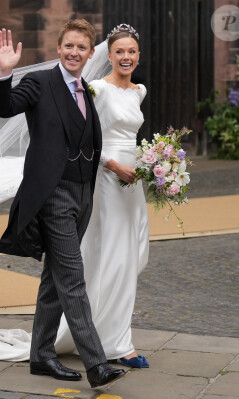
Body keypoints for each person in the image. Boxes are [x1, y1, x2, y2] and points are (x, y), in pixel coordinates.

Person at [0, 20, 124, 388]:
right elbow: (3, 107)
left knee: (55, 279)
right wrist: (4, 73)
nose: (74, 53)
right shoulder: (40, 83)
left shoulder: (86, 90)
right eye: (68, 46)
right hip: (53, 195)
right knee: (72, 278)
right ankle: (97, 365)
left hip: (83, 194)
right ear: (58, 47)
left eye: (81, 48)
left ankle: (42, 354)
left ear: (90, 52)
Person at [54, 23, 150, 368]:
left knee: (129, 258)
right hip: (107, 182)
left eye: (131, 51)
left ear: (138, 56)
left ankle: (118, 335)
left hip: (132, 184)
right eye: (119, 51)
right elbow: (86, 140)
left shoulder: (139, 91)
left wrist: (154, 166)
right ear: (107, 56)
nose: (126, 57)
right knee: (109, 255)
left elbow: (134, 139)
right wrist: (113, 166)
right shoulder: (96, 89)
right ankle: (112, 343)